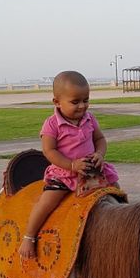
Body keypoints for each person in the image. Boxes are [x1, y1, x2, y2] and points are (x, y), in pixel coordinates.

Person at [18, 70, 119, 259]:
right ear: (56, 102)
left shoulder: (90, 119)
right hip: (65, 173)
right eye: (75, 102)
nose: (82, 106)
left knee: (116, 192)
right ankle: (29, 236)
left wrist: (99, 154)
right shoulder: (52, 124)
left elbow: (100, 139)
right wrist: (71, 165)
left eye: (86, 100)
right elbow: (49, 151)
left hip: (90, 170)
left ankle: (125, 227)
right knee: (47, 202)